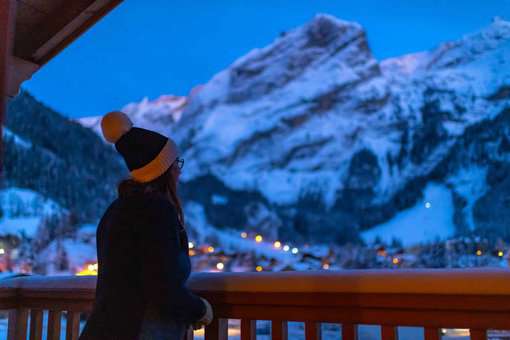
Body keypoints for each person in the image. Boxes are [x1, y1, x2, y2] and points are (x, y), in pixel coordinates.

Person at [78, 111, 214, 340]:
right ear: (163, 170)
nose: (179, 171)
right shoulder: (156, 212)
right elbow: (162, 288)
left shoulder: (117, 209)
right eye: (175, 164)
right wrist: (200, 309)